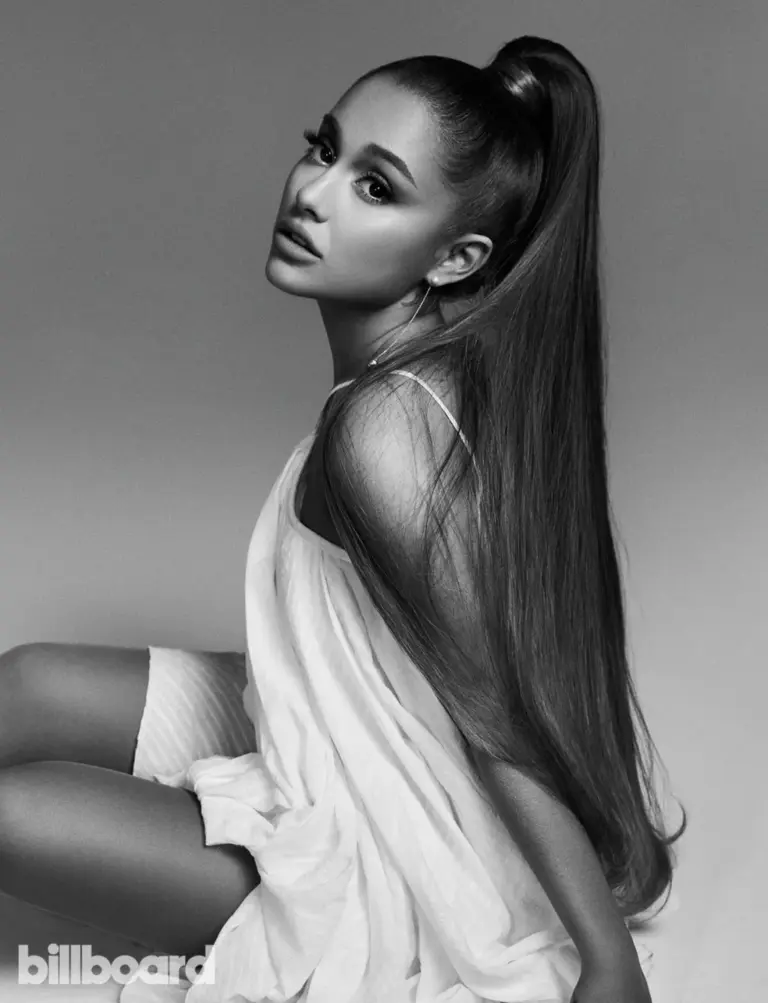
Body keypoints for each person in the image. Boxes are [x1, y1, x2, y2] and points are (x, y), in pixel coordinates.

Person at [0, 35, 685, 1003]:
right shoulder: (416, 377)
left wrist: (606, 961)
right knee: (27, 680)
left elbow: (496, 718)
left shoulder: (383, 431)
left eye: (376, 187)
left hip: (380, 845)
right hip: (330, 731)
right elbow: (364, 637)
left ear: (457, 257)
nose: (312, 194)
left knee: (9, 815)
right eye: (324, 148)